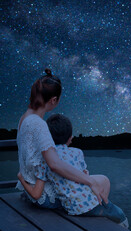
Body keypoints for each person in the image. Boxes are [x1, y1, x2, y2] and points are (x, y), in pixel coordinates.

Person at [16, 68, 107, 209]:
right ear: (53, 100)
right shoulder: (39, 124)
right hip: (44, 196)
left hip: (29, 188)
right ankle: (100, 215)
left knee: (85, 180)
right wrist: (90, 181)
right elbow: (55, 164)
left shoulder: (24, 118)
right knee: (101, 180)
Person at [18, 114, 128, 227]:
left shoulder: (44, 158)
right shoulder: (77, 152)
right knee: (120, 216)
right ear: (70, 137)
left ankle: (101, 212)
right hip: (86, 204)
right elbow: (84, 174)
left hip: (69, 207)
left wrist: (22, 179)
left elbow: (36, 194)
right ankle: (117, 224)